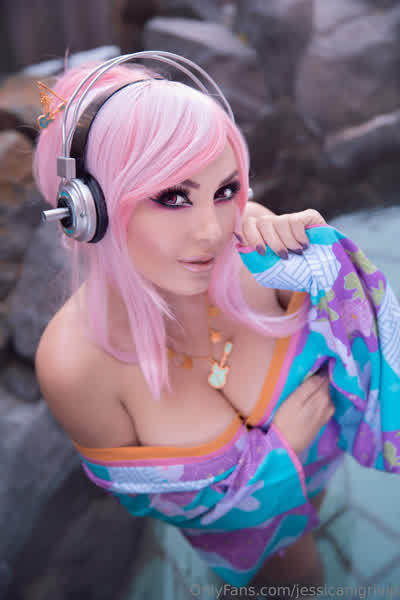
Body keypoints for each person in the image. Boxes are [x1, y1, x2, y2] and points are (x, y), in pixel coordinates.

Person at [32, 53, 360, 592]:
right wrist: (280, 453)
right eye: (172, 197)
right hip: (252, 545)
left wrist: (322, 265)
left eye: (225, 191)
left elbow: (355, 343)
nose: (212, 230)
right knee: (302, 578)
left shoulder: (257, 244)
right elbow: (157, 504)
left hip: (323, 472)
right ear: (87, 213)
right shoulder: (74, 365)